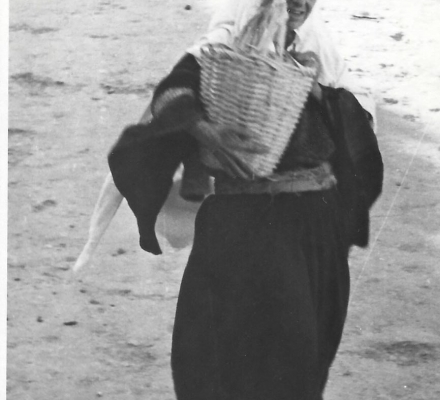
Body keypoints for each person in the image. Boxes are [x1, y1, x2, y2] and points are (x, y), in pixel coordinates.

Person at [84, 0, 383, 398]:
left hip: (316, 233)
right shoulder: (229, 40)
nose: (297, 5)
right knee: (223, 369)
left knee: (301, 371)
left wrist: (317, 91)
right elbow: (172, 91)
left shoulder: (320, 53)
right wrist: (201, 128)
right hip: (245, 228)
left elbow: (360, 130)